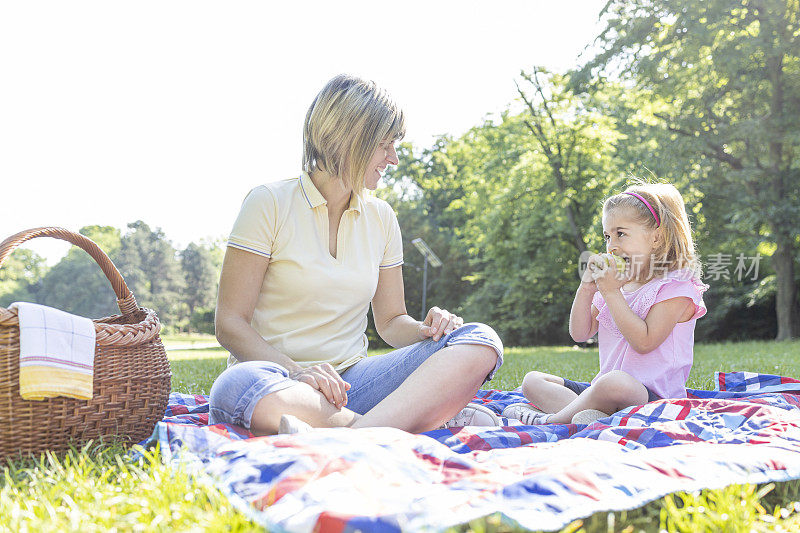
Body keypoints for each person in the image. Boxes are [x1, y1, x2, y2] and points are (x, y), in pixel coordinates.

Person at [209, 74, 503, 435]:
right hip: (278, 379)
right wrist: (299, 373)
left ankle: (350, 433)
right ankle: (387, 427)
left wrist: (428, 330)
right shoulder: (268, 203)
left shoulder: (381, 217)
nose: (393, 158)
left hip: (353, 387)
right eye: (384, 145)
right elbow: (230, 323)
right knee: (234, 387)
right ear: (350, 139)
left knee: (481, 340)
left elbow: (392, 321)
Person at [503, 182, 708, 425]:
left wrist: (611, 292)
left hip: (651, 399)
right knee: (533, 381)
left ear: (656, 237)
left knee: (614, 382)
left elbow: (644, 342)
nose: (611, 245)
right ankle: (592, 417)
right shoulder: (616, 284)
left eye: (621, 233)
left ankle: (550, 421)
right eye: (607, 236)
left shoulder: (675, 288)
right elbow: (580, 333)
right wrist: (587, 288)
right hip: (604, 391)